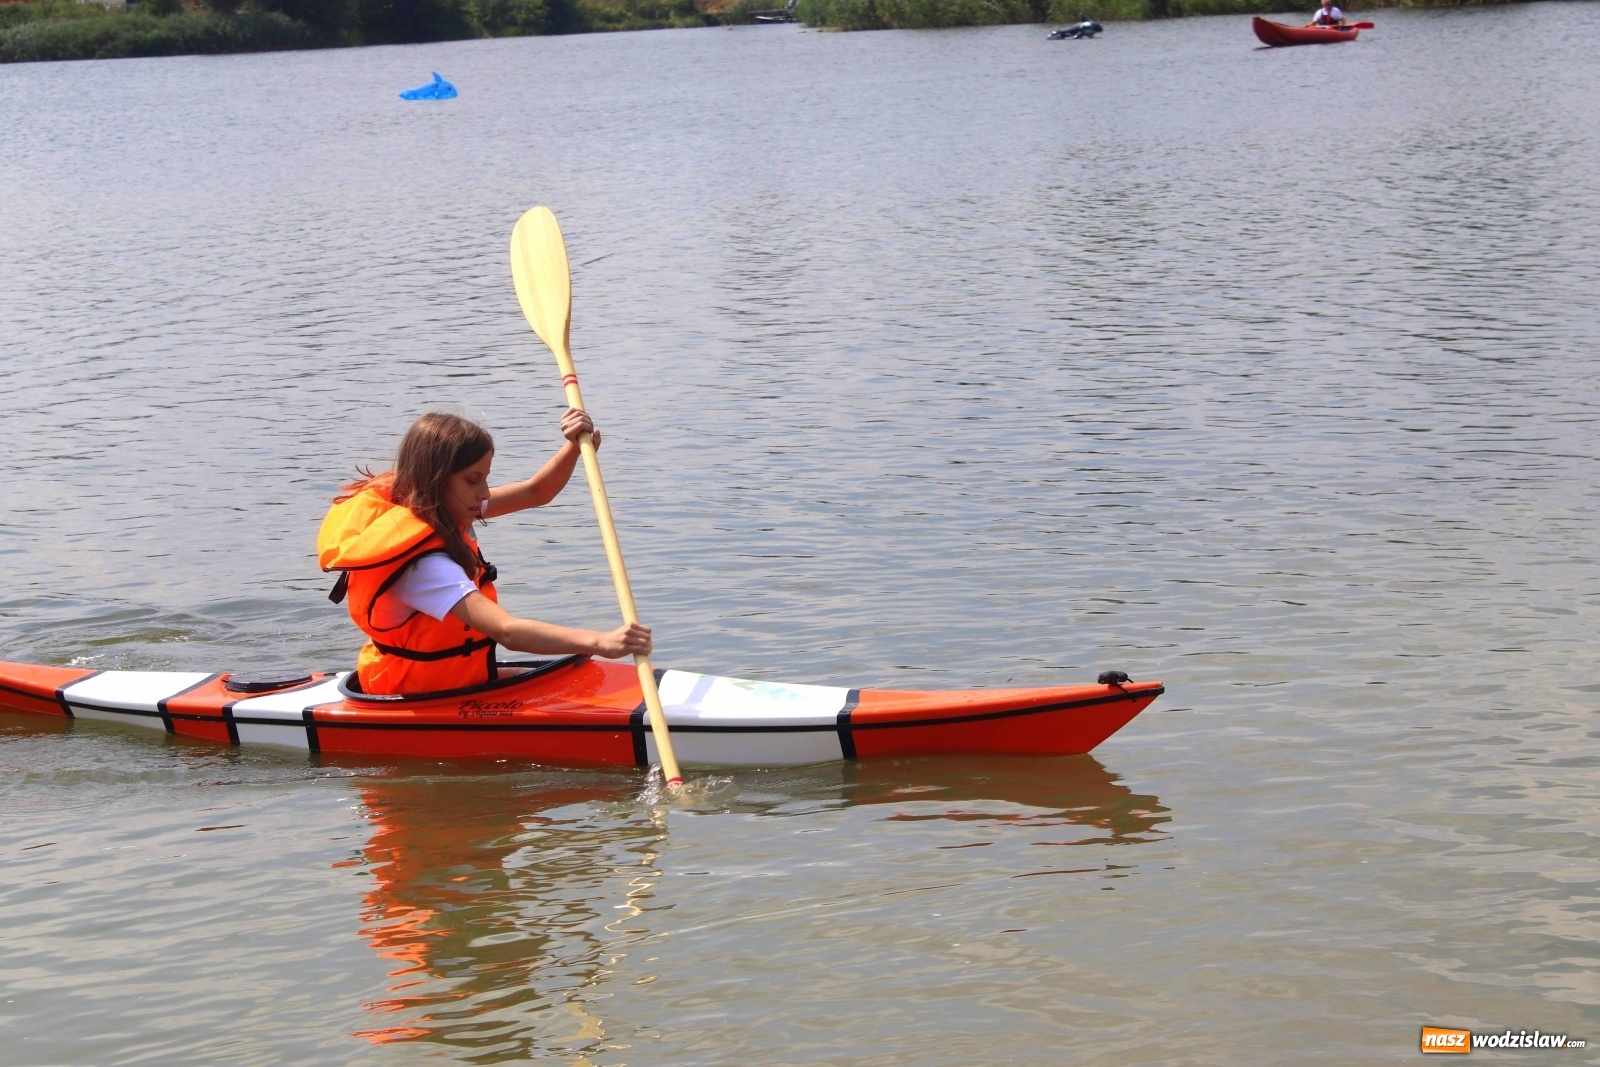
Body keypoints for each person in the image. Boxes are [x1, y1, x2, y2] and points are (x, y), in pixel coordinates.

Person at [317, 410, 651, 696]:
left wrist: (574, 447)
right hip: (416, 695)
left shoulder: (441, 508)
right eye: (473, 480)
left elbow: (536, 491)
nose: (485, 492)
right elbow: (506, 631)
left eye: (485, 479)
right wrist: (600, 642)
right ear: (434, 481)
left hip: (449, 683)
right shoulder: (426, 569)